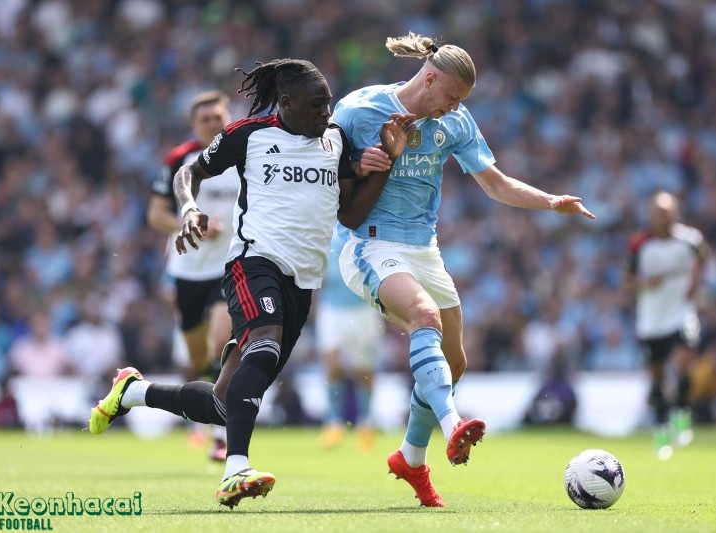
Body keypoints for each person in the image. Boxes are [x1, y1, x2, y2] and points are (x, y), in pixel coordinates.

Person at [88, 58, 414, 509]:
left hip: (303, 282)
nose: (327, 111)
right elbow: (189, 173)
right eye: (318, 105)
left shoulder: (335, 140)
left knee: (226, 403)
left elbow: (351, 214)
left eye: (329, 102)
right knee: (264, 345)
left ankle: (133, 392)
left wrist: (384, 166)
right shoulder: (249, 134)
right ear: (286, 103)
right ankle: (235, 468)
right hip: (253, 261)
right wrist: (187, 208)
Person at [331, 32, 595, 507]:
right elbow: (323, 168)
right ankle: (455, 426)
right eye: (452, 97)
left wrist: (550, 200)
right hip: (367, 245)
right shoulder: (360, 108)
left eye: (462, 102)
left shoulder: (454, 121)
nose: (455, 108)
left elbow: (495, 184)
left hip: (423, 249)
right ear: (429, 78)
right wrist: (356, 162)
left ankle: (410, 459)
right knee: (424, 316)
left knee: (455, 364)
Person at [147, 90, 239, 461]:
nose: (213, 124)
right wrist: (190, 223)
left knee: (221, 342)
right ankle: (205, 417)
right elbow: (155, 216)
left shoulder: (246, 153)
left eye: (218, 117)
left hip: (230, 266)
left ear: (227, 117)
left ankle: (221, 435)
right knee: (198, 357)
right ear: (193, 125)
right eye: (206, 119)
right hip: (188, 271)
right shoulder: (178, 160)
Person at [626, 190, 708, 460]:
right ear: (652, 214)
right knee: (658, 378)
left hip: (681, 313)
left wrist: (695, 280)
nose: (665, 217)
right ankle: (662, 430)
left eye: (669, 211)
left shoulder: (690, 239)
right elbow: (627, 281)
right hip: (651, 320)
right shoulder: (640, 244)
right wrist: (644, 284)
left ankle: (683, 411)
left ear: (676, 212)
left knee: (684, 362)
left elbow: (704, 256)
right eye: (660, 212)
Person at [317, 228, 384, 452]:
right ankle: (334, 423)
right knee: (332, 364)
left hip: (363, 308)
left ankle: (366, 423)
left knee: (363, 370)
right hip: (332, 307)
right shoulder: (328, 228)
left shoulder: (366, 228)